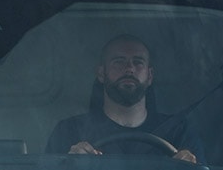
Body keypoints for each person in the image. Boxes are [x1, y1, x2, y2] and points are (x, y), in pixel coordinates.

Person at [44, 34, 198, 162]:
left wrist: (188, 168)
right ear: (101, 73)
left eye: (138, 62)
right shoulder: (70, 131)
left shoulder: (178, 131)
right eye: (119, 62)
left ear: (150, 76)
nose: (129, 69)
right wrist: (68, 165)